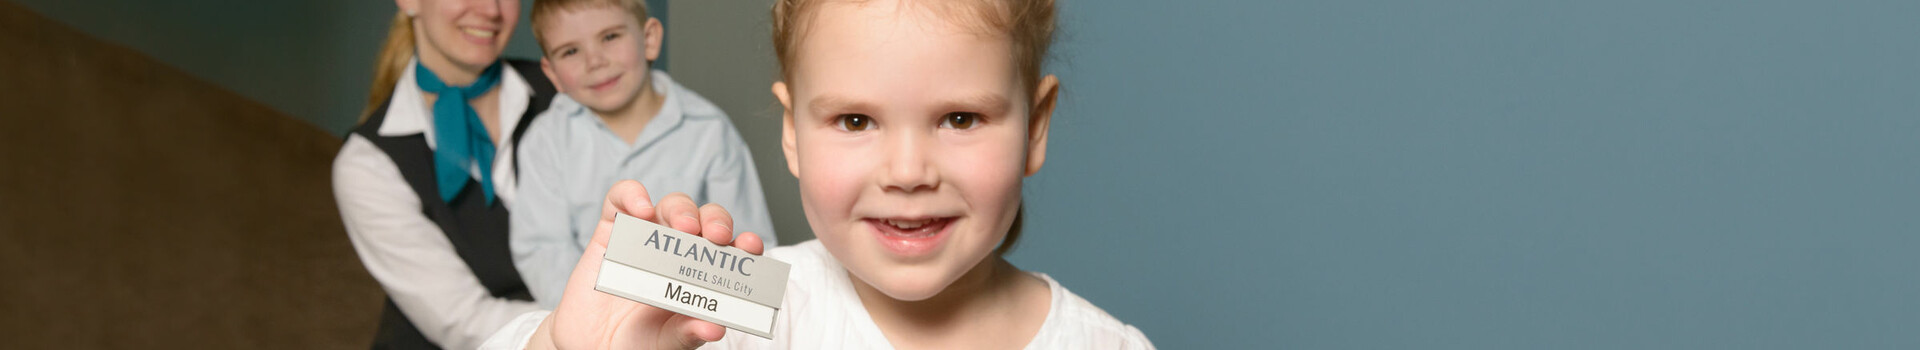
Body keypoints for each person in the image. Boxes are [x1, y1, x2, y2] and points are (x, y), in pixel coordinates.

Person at [482, 0, 1155, 348]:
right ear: (791, 133)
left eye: (959, 119)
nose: (908, 171)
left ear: (1035, 126)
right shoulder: (745, 309)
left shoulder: (1108, 346)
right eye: (856, 122)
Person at [510, 0, 778, 310]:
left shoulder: (709, 131)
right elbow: (543, 252)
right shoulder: (545, 141)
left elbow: (749, 247)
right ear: (552, 72)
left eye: (610, 37)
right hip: (587, 318)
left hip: (687, 316)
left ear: (649, 39)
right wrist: (595, 312)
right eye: (570, 52)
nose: (594, 61)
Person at [331, 0, 558, 348]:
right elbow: (469, 323)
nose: (491, 10)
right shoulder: (366, 165)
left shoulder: (567, 87)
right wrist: (595, 324)